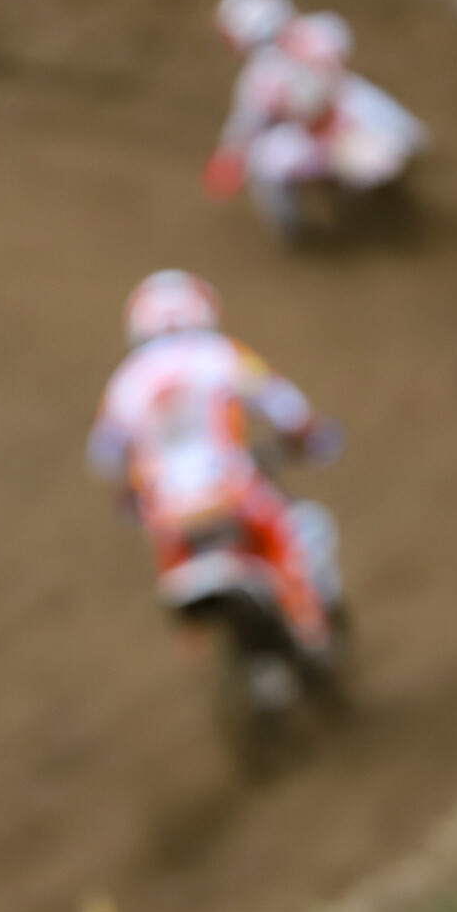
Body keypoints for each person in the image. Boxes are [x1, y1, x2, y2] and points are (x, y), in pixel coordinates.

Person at [87, 270, 343, 656]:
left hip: (166, 509)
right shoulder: (219, 353)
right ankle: (310, 627)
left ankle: (195, 644)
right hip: (229, 487)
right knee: (284, 536)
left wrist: (128, 489)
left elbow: (104, 454)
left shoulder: (125, 381)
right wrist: (309, 435)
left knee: (168, 559)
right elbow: (282, 404)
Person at [203, 0, 426, 240]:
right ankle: (320, 225)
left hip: (346, 124)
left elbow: (244, 128)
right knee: (401, 143)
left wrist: (229, 157)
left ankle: (306, 230)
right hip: (328, 129)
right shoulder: (325, 28)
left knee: (267, 163)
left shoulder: (259, 79)